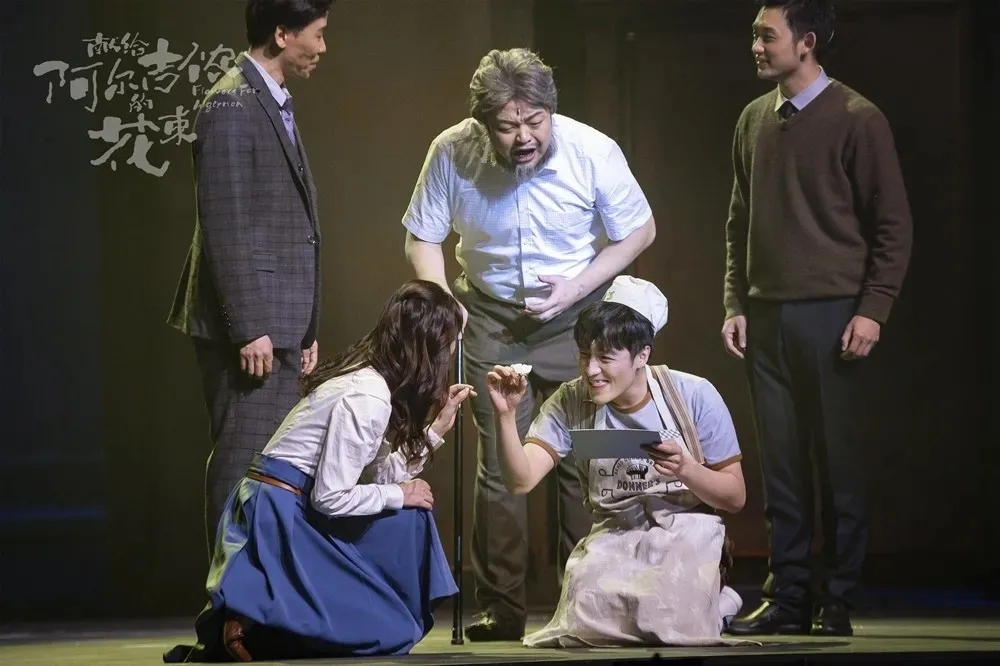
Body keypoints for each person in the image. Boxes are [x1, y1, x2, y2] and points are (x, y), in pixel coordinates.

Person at [402, 48, 657, 640]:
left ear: (550, 111)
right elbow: (422, 236)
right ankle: (501, 607)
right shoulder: (451, 150)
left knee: (582, 456)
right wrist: (445, 301)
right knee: (501, 462)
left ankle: (585, 601)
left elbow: (640, 229)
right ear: (482, 124)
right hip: (490, 317)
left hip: (578, 319)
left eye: (535, 121)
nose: (523, 137)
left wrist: (579, 287)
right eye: (507, 126)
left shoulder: (592, 150)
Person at [721, 0, 913, 637]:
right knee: (781, 466)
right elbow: (738, 223)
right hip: (767, 316)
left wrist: (873, 310)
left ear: (805, 42)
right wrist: (735, 302)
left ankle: (838, 600)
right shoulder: (753, 119)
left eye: (766, 35)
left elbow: (893, 227)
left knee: (838, 466)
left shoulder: (858, 118)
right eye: (755, 35)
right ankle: (789, 597)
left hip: (834, 317)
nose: (755, 46)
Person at [163, 280, 473, 663]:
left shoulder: (370, 383)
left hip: (291, 506)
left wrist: (435, 431)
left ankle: (264, 619)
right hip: (282, 519)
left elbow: (376, 476)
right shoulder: (368, 396)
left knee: (409, 515)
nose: (451, 353)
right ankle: (253, 618)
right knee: (391, 626)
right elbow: (331, 497)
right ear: (429, 347)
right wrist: (400, 494)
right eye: (450, 343)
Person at [487, 276, 747, 647]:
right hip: (613, 534)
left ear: (642, 355)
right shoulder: (571, 401)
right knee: (582, 628)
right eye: (584, 355)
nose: (591, 370)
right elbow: (521, 480)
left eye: (605, 358)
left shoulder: (693, 394)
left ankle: (717, 606)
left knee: (666, 624)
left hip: (686, 533)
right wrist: (506, 416)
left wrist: (687, 469)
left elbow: (735, 497)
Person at [166, 0, 333, 554]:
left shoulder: (268, 99)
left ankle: (257, 592)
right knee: (243, 461)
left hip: (279, 323)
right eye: (317, 34)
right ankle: (228, 595)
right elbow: (225, 222)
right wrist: (249, 326)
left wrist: (305, 328)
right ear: (282, 34)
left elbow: (289, 225)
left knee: (270, 468)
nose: (323, 47)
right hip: (252, 328)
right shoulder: (231, 103)